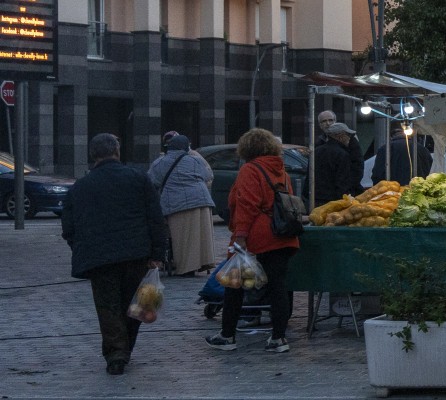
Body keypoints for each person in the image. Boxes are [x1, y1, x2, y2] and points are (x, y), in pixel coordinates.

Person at [63, 133, 170, 375]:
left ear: (93, 155)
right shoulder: (138, 179)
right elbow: (155, 219)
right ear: (117, 152)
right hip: (136, 255)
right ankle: (124, 348)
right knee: (134, 306)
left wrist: (79, 246)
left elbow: (68, 226)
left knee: (108, 306)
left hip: (99, 258)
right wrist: (157, 253)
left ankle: (116, 354)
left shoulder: (81, 187)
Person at [205, 129, 300, 354]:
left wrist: (240, 236)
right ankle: (278, 338)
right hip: (283, 234)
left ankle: (227, 335)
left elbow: (247, 205)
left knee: (234, 284)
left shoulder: (250, 169)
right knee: (278, 287)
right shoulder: (281, 170)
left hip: (258, 236)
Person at [148, 133, 217, 276]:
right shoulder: (195, 160)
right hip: (202, 200)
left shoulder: (160, 162)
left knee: (183, 237)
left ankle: (186, 267)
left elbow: (151, 182)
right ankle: (204, 261)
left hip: (176, 203)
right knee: (202, 235)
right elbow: (208, 175)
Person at [314, 123, 363, 204]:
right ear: (340, 136)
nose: (349, 138)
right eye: (348, 135)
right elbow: (342, 182)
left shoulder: (317, 151)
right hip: (334, 200)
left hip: (316, 198)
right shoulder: (342, 154)